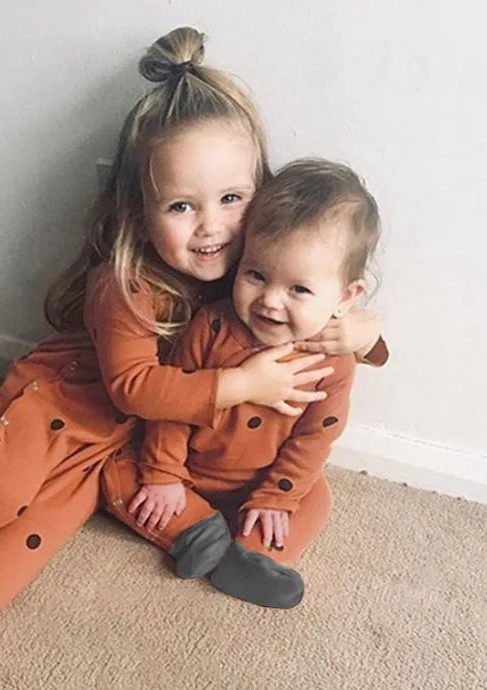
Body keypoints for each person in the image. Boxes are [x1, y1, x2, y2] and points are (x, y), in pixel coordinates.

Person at [0, 28, 385, 690]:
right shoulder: (125, 280)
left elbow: (319, 301)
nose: (212, 228)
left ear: (260, 193)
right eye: (182, 207)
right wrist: (239, 388)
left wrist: (365, 333)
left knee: (36, 535)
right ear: (141, 209)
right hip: (69, 404)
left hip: (124, 442)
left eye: (233, 198)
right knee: (0, 496)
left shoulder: (254, 270)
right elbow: (135, 389)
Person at [102, 158, 383, 609]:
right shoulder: (211, 327)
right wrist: (163, 475)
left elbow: (315, 438)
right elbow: (173, 408)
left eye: (299, 290)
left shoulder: (334, 362)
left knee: (314, 497)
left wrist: (275, 498)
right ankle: (196, 533)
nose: (270, 301)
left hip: (260, 482)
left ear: (346, 297)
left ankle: (249, 557)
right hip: (189, 472)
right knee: (117, 474)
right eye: (256, 275)